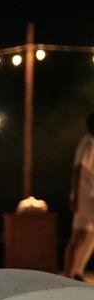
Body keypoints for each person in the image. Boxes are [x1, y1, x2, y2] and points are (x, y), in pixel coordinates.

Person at [62, 112, 94, 280]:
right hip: (87, 197)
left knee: (82, 236)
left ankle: (75, 272)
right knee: (80, 237)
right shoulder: (88, 143)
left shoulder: (89, 142)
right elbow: (78, 169)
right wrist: (74, 195)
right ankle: (71, 274)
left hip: (86, 197)